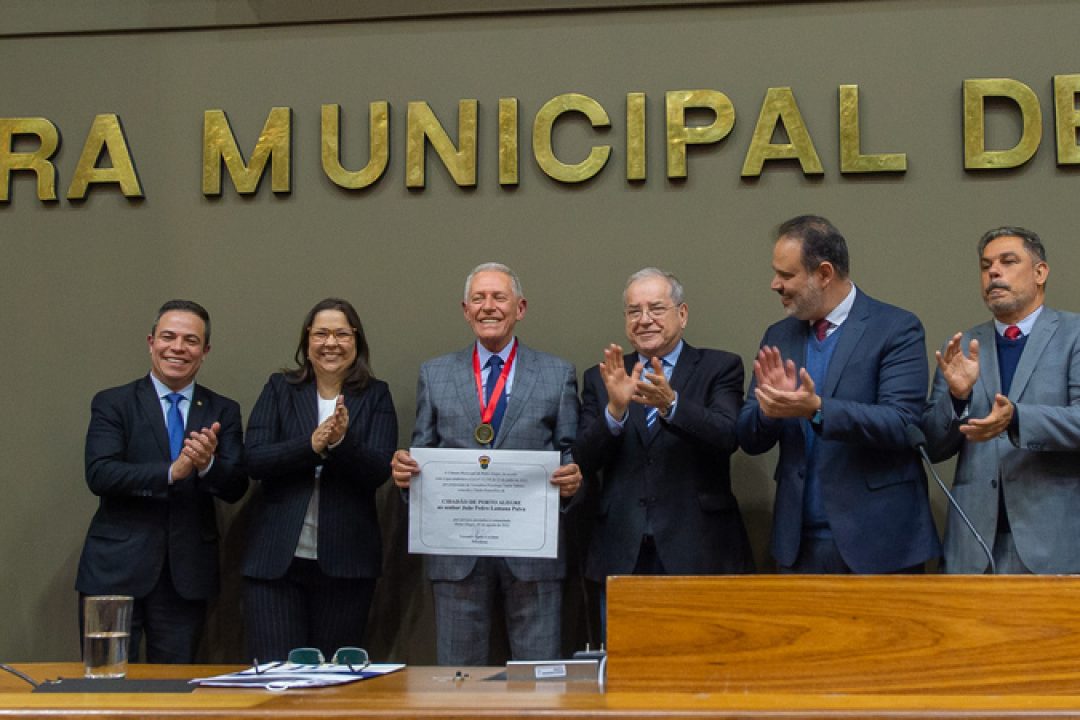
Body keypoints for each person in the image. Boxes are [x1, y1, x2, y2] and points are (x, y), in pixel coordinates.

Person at [390, 262, 581, 666]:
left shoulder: (557, 373)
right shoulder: (435, 373)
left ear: (521, 308)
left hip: (533, 553)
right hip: (457, 552)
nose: (488, 307)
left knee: (538, 677)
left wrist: (572, 478)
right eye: (478, 298)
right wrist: (406, 475)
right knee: (460, 679)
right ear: (465, 309)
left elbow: (570, 453)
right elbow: (422, 449)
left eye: (499, 297)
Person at [736, 215, 939, 573]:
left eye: (786, 275)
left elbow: (902, 423)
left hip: (879, 544)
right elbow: (749, 436)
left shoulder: (895, 328)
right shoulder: (778, 336)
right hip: (798, 546)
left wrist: (817, 408)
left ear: (824, 273)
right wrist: (771, 410)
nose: (775, 284)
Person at [76, 299, 247, 663]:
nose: (178, 348)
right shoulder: (113, 402)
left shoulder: (222, 410)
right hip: (113, 572)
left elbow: (236, 486)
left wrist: (206, 465)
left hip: (184, 578)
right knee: (106, 684)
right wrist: (173, 471)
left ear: (205, 350)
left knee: (174, 690)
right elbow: (100, 473)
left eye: (190, 340)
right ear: (151, 341)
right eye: (168, 337)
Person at [575, 268, 753, 590]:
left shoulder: (719, 367)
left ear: (682, 314)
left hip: (700, 549)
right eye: (634, 311)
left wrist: (672, 405)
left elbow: (727, 436)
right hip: (621, 550)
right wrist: (614, 411)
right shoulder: (601, 377)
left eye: (656, 309)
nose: (644, 319)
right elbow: (583, 459)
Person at [242, 298, 398, 661]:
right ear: (306, 341)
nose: (331, 343)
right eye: (321, 333)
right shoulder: (280, 388)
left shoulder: (375, 395)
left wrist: (342, 442)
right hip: (276, 565)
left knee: (335, 684)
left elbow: (378, 470)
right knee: (278, 677)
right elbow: (255, 459)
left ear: (356, 341)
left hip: (346, 565)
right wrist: (310, 446)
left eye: (342, 333)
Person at [923, 227, 1080, 574]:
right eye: (986, 265)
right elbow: (932, 445)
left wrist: (1017, 418)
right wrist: (957, 397)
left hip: (1055, 545)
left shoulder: (1074, 335)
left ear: (1040, 273)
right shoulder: (962, 346)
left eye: (1008, 262)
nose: (994, 272)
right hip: (974, 546)